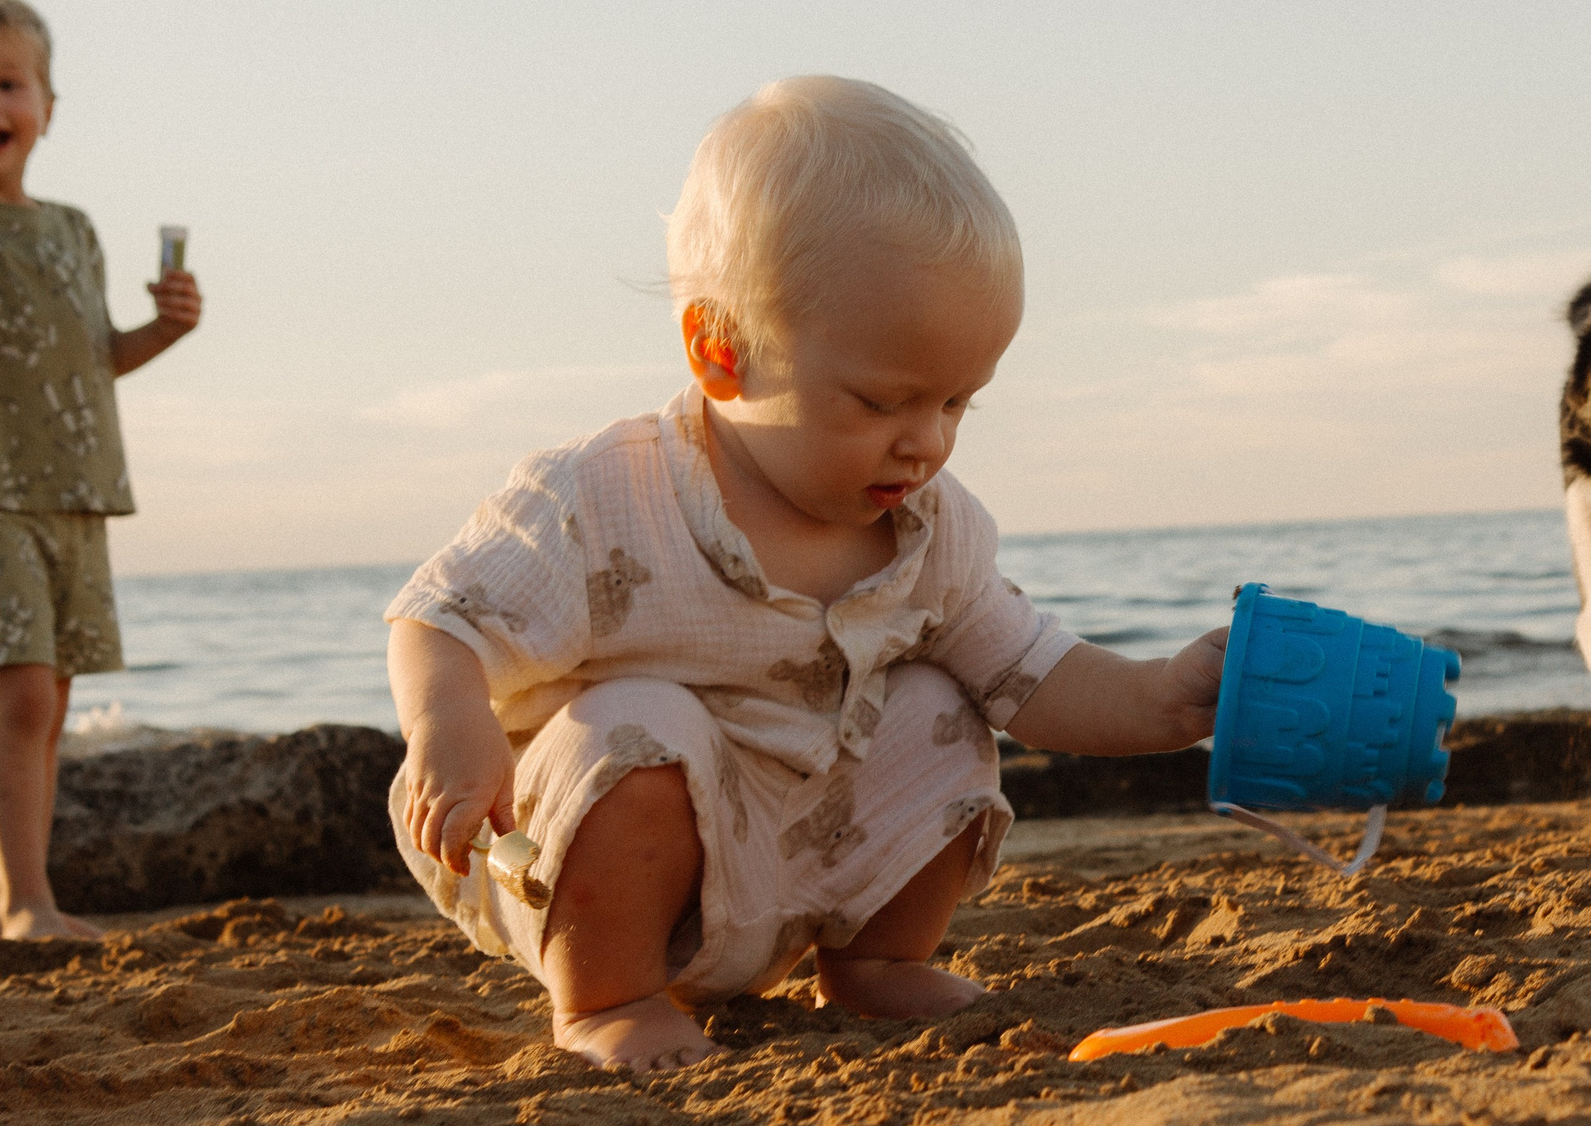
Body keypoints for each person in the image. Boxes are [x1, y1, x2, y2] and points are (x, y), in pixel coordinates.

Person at [388, 77, 1224, 1073]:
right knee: (644, 720)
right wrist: (452, 726)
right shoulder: (604, 494)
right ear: (720, 349)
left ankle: (871, 959)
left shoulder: (928, 532)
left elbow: (1031, 673)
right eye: (881, 401)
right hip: (587, 870)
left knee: (937, 698)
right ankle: (608, 1001)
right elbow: (443, 614)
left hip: (795, 858)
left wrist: (1165, 694)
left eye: (958, 403)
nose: (926, 442)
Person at [0, 0, 204, 940]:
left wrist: (163, 330)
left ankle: (21, 898)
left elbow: (94, 359)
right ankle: (22, 901)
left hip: (74, 490)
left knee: (51, 700)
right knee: (19, 691)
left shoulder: (73, 230)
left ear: (47, 111)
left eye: (9, 84)